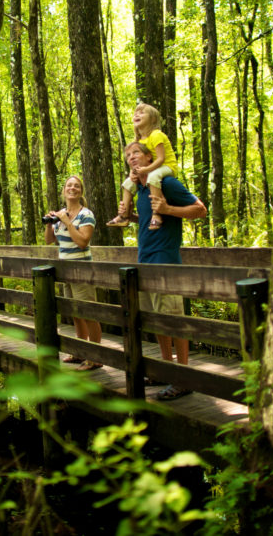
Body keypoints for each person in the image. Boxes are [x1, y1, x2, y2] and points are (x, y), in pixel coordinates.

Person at [123, 141, 207, 401]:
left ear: (151, 157)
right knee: (158, 320)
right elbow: (153, 217)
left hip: (166, 260)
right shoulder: (141, 190)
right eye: (127, 155)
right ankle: (165, 370)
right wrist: (133, 217)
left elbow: (201, 209)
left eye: (136, 152)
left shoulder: (168, 184)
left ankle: (182, 377)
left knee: (173, 319)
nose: (131, 157)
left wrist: (168, 209)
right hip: (145, 258)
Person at [44, 175, 103, 371]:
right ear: (64, 190)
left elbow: (82, 242)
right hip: (65, 270)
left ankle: (95, 356)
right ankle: (79, 352)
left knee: (87, 312)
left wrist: (68, 222)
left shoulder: (86, 214)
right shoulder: (61, 214)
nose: (72, 188)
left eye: (76, 186)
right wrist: (50, 222)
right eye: (69, 185)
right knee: (75, 313)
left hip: (82, 269)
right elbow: (49, 241)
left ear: (81, 191)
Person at [107, 103, 180, 231]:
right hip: (153, 169)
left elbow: (161, 158)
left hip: (167, 166)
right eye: (135, 113)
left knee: (153, 176)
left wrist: (147, 170)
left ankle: (157, 214)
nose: (137, 114)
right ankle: (123, 215)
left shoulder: (156, 135)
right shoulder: (140, 141)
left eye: (142, 113)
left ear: (152, 119)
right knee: (128, 183)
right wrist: (133, 173)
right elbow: (138, 161)